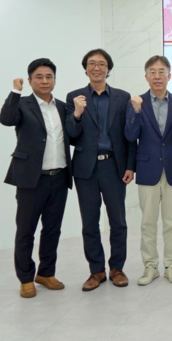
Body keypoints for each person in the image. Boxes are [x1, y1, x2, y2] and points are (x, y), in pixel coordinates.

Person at [0, 58, 72, 298]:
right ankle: (25, 278)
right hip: (31, 179)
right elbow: (5, 120)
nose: (44, 81)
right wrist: (15, 92)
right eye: (39, 77)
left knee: (52, 230)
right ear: (30, 81)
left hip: (59, 177)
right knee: (26, 231)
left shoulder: (63, 107)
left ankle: (46, 273)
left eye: (49, 76)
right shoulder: (22, 104)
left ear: (55, 80)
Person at [65, 48, 136, 291]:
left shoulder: (122, 97)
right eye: (92, 63)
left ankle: (117, 268)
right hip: (85, 168)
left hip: (114, 167)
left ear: (108, 69)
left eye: (102, 64)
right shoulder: (74, 97)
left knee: (118, 221)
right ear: (85, 68)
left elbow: (129, 136)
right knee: (89, 223)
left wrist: (130, 166)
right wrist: (76, 114)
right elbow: (70, 136)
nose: (97, 68)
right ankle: (96, 270)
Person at [125, 55, 172, 286]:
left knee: (171, 222)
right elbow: (130, 137)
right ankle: (150, 266)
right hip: (147, 168)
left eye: (161, 72)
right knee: (148, 223)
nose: (157, 76)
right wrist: (135, 112)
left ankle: (171, 265)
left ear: (169, 76)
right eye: (152, 72)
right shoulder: (136, 102)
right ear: (146, 77)